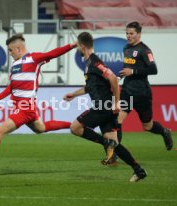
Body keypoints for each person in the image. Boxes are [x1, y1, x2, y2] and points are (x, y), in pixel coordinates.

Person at [0, 34, 77, 172]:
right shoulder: (15, 65)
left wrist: (73, 44)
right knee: (40, 128)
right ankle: (74, 125)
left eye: (11, 50)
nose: (10, 54)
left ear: (18, 48)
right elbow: (11, 87)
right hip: (23, 108)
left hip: (25, 109)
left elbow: (52, 53)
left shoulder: (33, 59)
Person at [63, 31, 147, 182]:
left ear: (82, 46)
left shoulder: (95, 62)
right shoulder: (89, 64)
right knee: (115, 143)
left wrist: (116, 102)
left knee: (75, 127)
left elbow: (113, 78)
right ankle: (138, 170)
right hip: (106, 106)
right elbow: (91, 87)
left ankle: (106, 143)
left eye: (78, 46)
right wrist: (74, 94)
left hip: (104, 106)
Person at [116, 21, 173, 152]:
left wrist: (133, 72)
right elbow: (128, 67)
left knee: (147, 126)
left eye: (131, 33)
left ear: (139, 34)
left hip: (142, 93)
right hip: (127, 91)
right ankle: (115, 153)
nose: (128, 36)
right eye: (127, 33)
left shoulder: (145, 50)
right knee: (117, 120)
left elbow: (154, 69)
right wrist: (122, 75)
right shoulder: (126, 48)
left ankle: (164, 132)